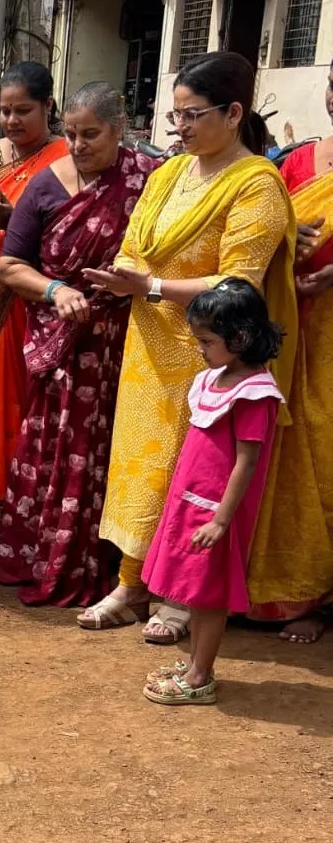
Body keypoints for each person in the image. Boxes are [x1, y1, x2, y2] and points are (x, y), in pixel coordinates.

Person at [80, 51, 297, 643]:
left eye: (192, 115)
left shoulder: (256, 184)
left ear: (234, 113)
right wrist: (127, 276)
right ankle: (131, 583)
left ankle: (179, 593)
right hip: (149, 344)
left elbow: (238, 282)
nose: (179, 128)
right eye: (174, 115)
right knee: (140, 470)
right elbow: (134, 246)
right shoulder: (169, 174)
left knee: (192, 475)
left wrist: (150, 286)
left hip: (207, 354)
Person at [0, 82, 153, 607]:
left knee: (122, 451)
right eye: (71, 134)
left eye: (91, 135)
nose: (79, 145)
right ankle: (49, 557)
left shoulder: (149, 180)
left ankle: (121, 570)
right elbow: (10, 266)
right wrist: (56, 290)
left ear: (119, 130)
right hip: (64, 346)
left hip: (130, 343)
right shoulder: (45, 186)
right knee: (57, 447)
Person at [141, 280, 285, 705]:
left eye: (207, 341)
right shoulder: (216, 380)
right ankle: (194, 666)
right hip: (193, 502)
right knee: (196, 590)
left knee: (209, 595)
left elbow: (247, 461)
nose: (200, 349)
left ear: (239, 338)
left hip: (215, 512)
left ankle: (200, 676)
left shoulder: (255, 394)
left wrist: (221, 520)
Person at [0, 62, 72, 530]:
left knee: (21, 392)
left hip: (32, 292)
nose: (11, 120)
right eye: (5, 111)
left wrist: (17, 223)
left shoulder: (67, 157)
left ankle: (21, 498)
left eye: (22, 110)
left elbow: (72, 233)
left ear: (48, 106)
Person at [247, 55, 333, 643]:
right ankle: (282, 590)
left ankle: (323, 597)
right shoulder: (295, 162)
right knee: (283, 447)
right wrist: (285, 243)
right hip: (290, 326)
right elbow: (262, 230)